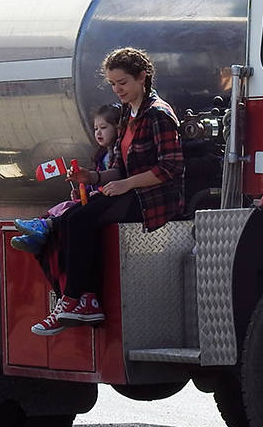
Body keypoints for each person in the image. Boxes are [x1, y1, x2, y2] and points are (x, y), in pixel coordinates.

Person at [14, 48, 184, 335]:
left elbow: (171, 167)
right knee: (70, 218)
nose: (118, 90)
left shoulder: (158, 114)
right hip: (130, 192)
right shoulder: (127, 116)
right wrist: (90, 175)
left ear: (142, 77)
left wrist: (126, 184)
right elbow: (118, 168)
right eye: (113, 84)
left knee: (80, 218)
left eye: (123, 83)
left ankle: (72, 300)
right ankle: (87, 299)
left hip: (155, 199)